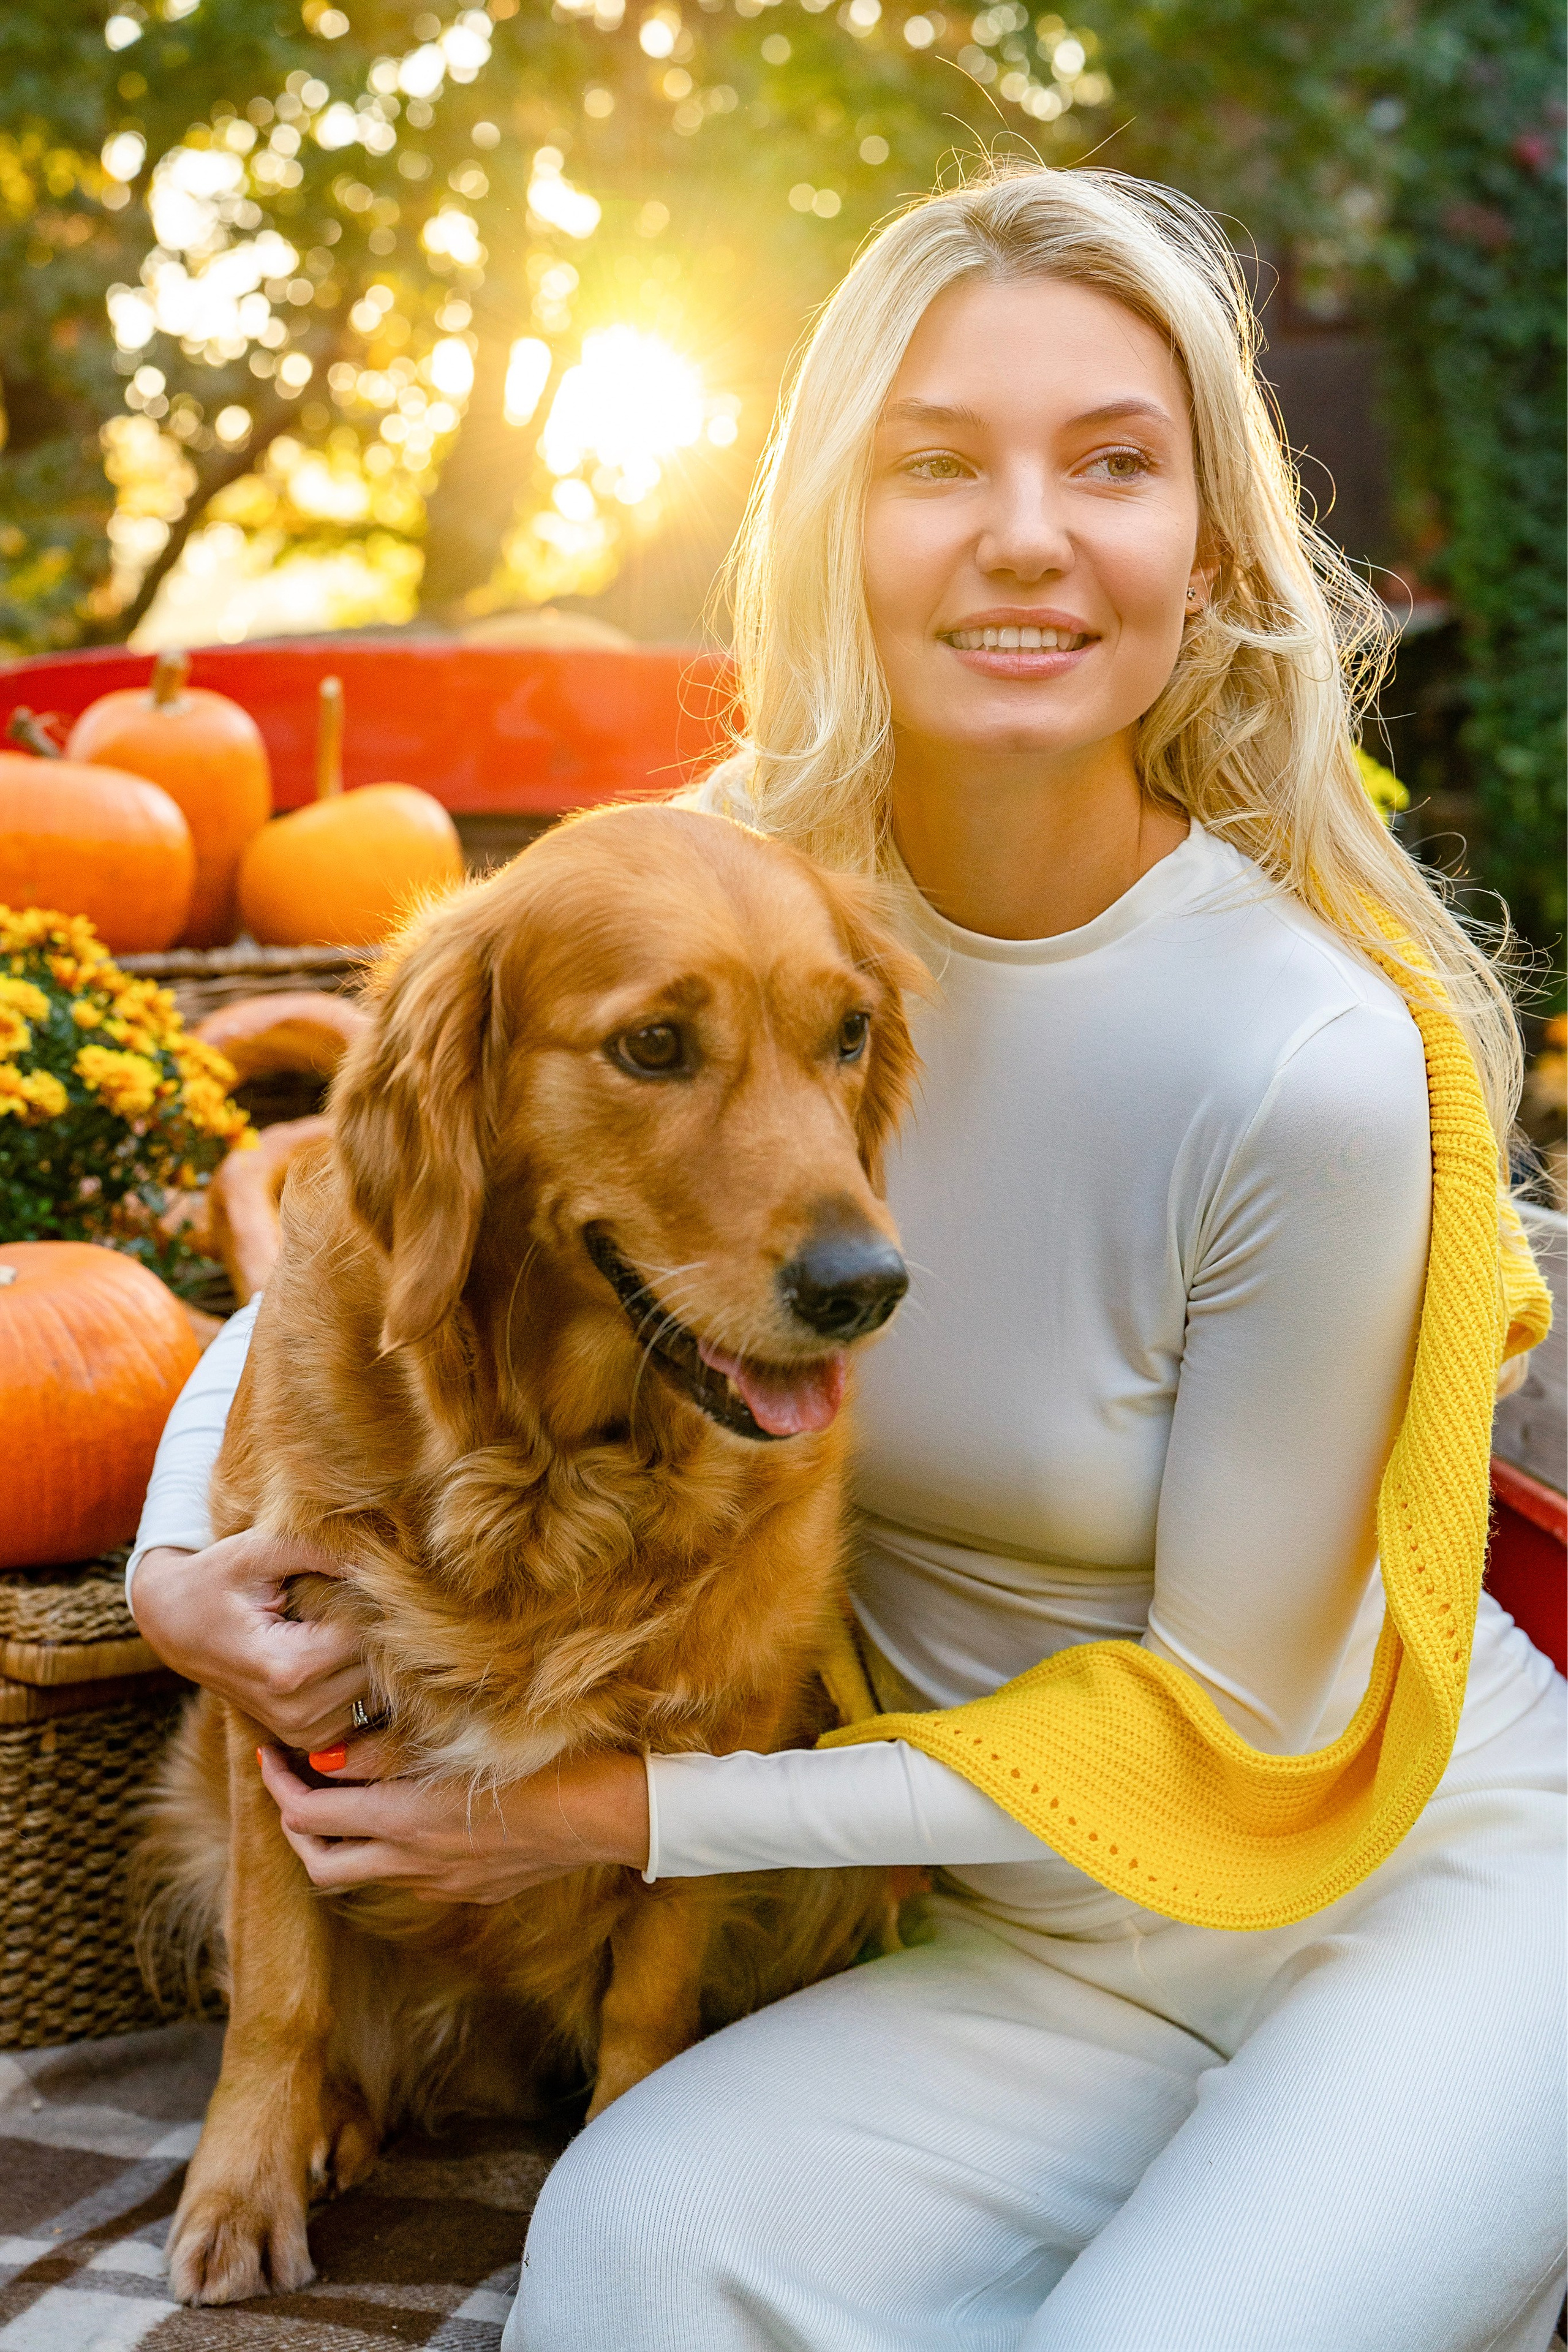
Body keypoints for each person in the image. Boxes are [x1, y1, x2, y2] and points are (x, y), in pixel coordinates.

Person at [130, 165, 1565, 2351]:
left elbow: (1231, 1734)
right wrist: (174, 1576)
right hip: (1002, 1938)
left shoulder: (1310, 1058)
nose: (1023, 532)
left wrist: (614, 1813)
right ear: (830, 523)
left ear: (1211, 545)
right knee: (630, 2268)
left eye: (1113, 461)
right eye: (935, 462)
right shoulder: (754, 926)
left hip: (1390, 1895)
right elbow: (375, 1246)